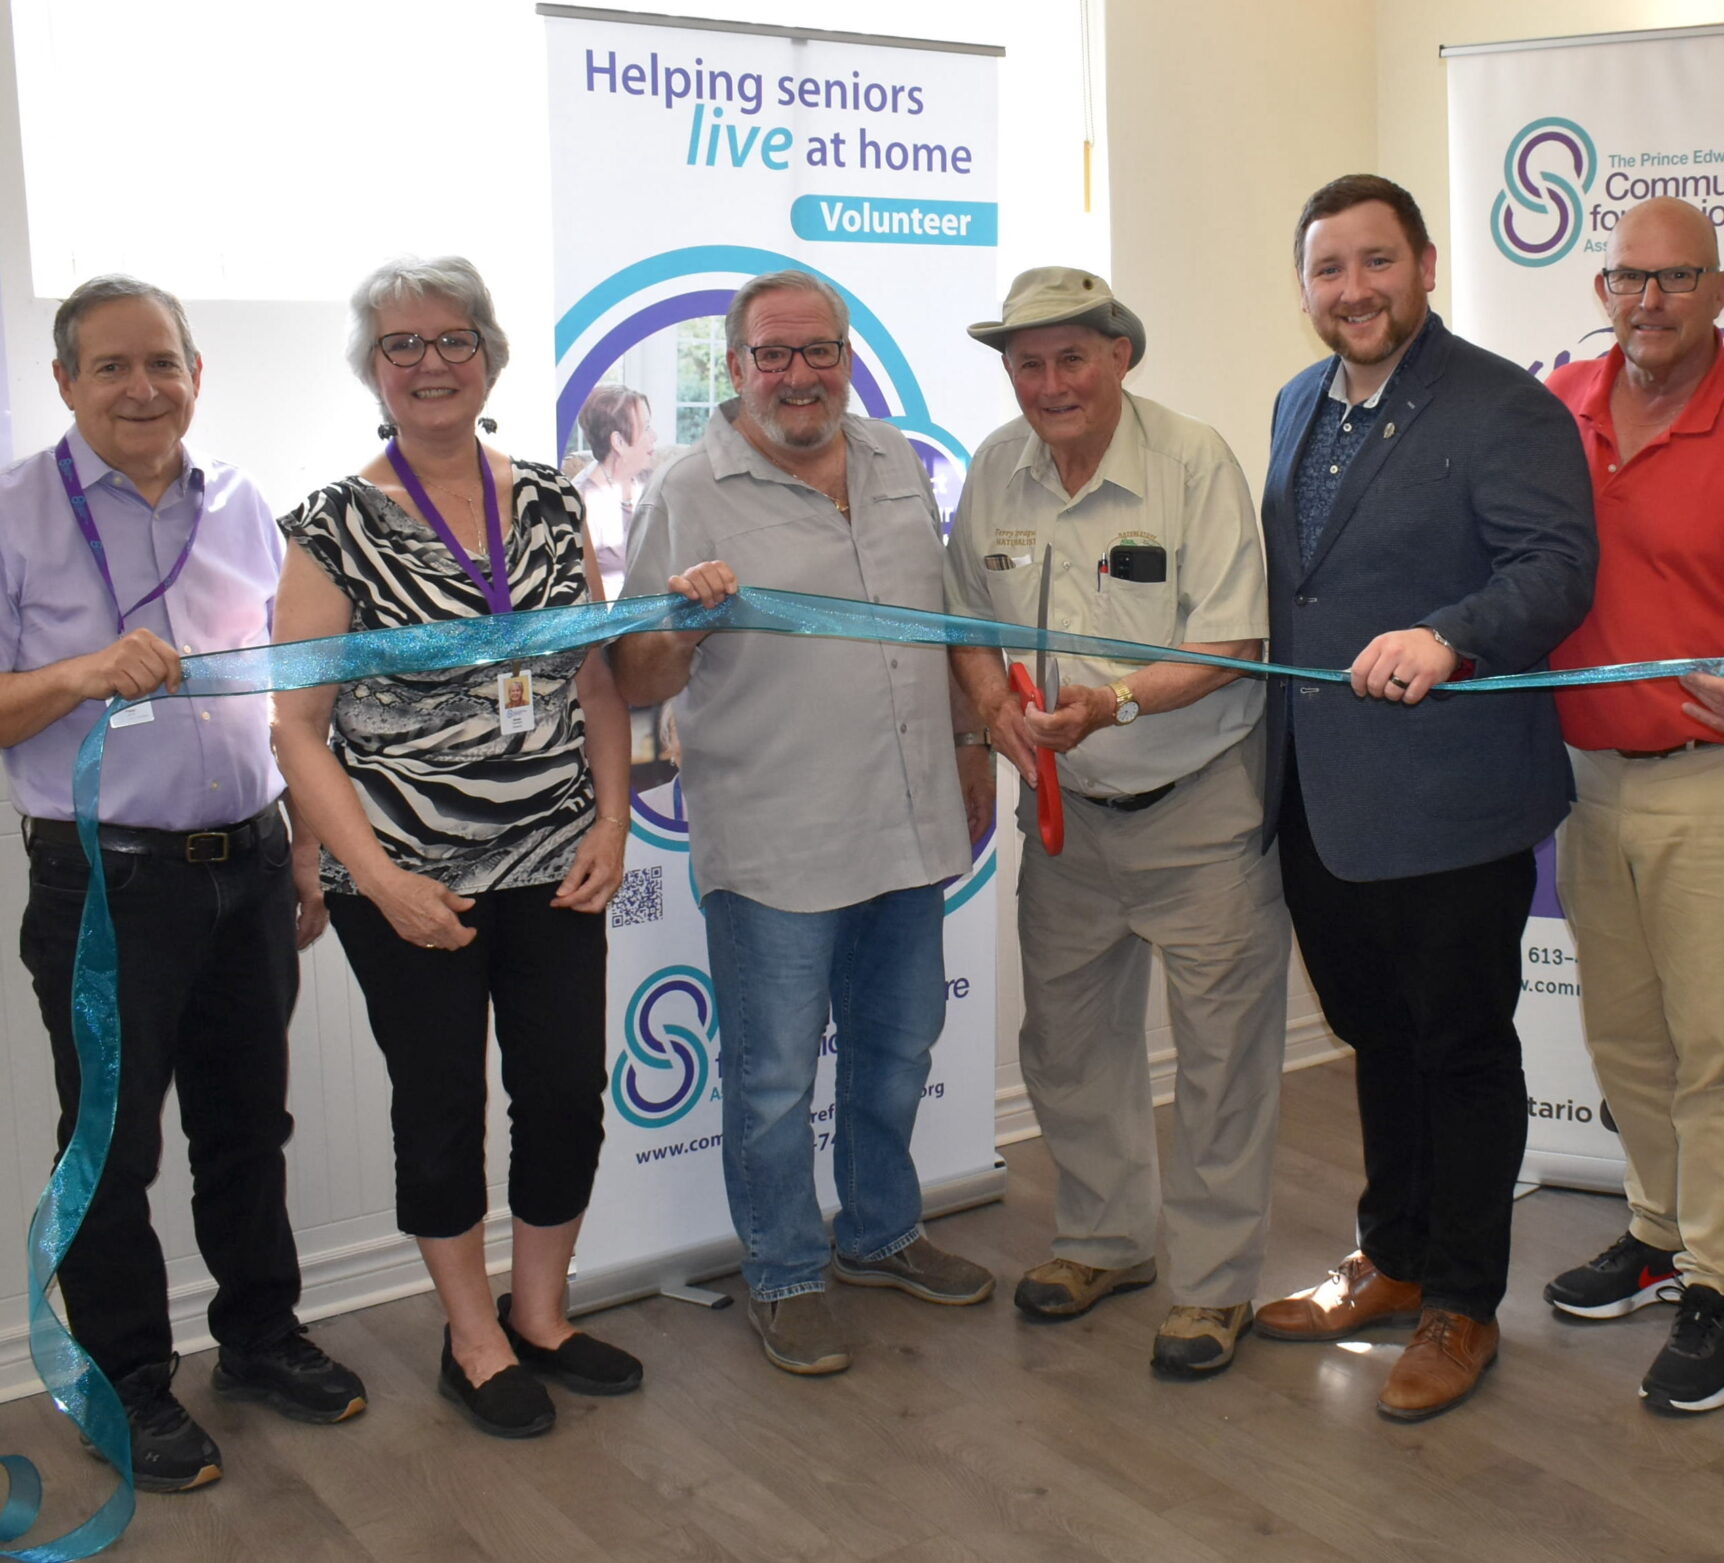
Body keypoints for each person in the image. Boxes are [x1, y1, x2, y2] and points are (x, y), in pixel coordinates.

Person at [0, 275, 364, 1492]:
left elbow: (282, 695)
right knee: (111, 1148)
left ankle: (259, 1339)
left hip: (247, 865)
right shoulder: (14, 512)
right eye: (111, 366)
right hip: (106, 886)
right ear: (66, 382)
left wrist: (302, 848)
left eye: (162, 362)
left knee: (247, 1125)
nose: (142, 388)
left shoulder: (246, 506)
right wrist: (80, 674)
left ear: (196, 374)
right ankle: (127, 1385)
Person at [271, 257, 643, 1440]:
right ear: (372, 369)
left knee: (565, 1095)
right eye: (403, 344)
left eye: (452, 339)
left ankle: (541, 1315)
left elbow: (593, 678)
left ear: (488, 355)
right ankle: (471, 1340)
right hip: (406, 876)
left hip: (556, 860)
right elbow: (295, 726)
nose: (430, 362)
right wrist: (380, 881)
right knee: (440, 1109)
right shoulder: (331, 525)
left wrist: (612, 821)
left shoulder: (552, 502)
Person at [1249, 174, 1598, 1420]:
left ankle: (1461, 1300)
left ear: (1426, 266)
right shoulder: (1296, 401)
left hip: (1452, 799)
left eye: (1375, 261)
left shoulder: (1503, 405)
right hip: (1319, 800)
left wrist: (1449, 637)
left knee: (1458, 1050)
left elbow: (1557, 569)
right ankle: (1390, 1258)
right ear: (1305, 288)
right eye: (1328, 268)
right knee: (1376, 1039)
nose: (1353, 289)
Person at [613, 269, 997, 1378]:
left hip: (908, 820)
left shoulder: (894, 462)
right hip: (777, 840)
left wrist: (971, 744)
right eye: (772, 355)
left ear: (846, 358)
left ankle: (880, 1230)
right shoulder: (689, 488)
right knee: (774, 1079)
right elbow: (633, 674)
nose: (797, 375)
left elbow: (937, 622)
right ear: (735, 367)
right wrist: (685, 623)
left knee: (897, 1049)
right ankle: (784, 1272)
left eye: (817, 351)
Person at [944, 268, 1288, 1378]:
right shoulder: (995, 469)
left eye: (1071, 359)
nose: (1050, 384)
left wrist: (1113, 704)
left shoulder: (1193, 462)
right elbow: (963, 619)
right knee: (1068, 1041)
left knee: (1222, 1059)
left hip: (1199, 809)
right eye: (1027, 364)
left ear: (1120, 356)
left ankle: (1213, 1286)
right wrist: (991, 707)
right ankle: (1104, 1241)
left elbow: (1231, 644)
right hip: (1067, 820)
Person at [1531, 197, 1724, 1415]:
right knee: (1625, 1036)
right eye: (1627, 279)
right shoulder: (1557, 405)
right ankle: (1657, 1234)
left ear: (1718, 291)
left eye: (1674, 279)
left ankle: (1721, 1286)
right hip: (1589, 779)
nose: (1647, 302)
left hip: (1722, 779)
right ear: (1600, 290)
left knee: (1715, 1046)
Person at [573, 382, 657, 598]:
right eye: (646, 428)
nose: (654, 436)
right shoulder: (582, 501)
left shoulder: (651, 480)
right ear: (618, 441)